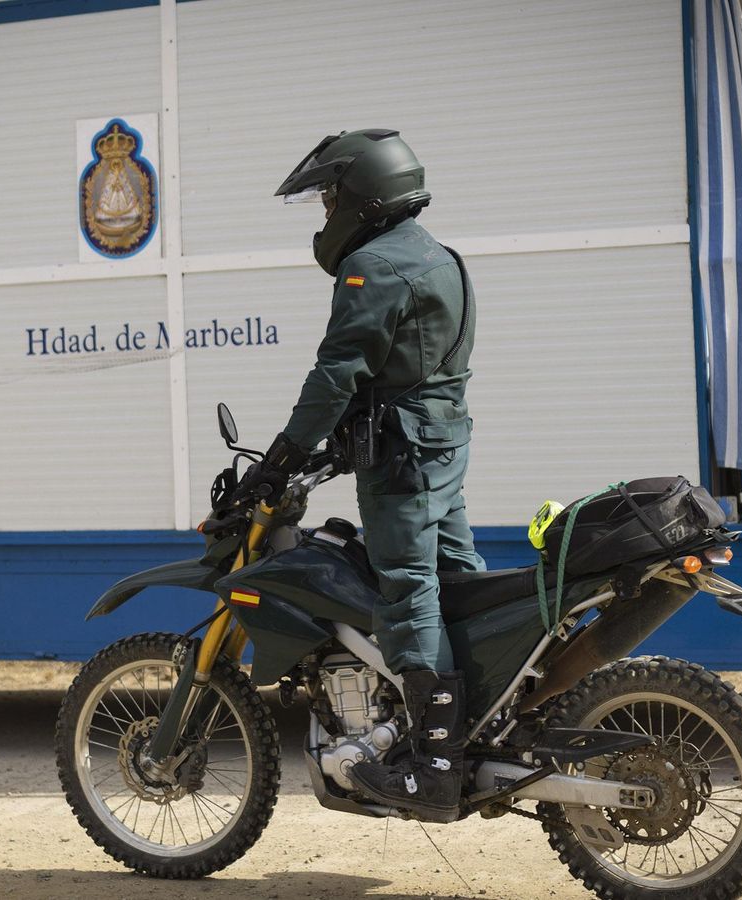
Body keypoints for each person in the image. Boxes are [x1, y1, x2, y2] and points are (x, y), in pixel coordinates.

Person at [238, 129, 485, 819]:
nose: (325, 213)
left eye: (329, 198)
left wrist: (284, 455)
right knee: (456, 581)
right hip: (440, 447)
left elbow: (337, 374)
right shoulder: (443, 258)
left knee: (407, 590)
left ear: (364, 198)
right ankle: (484, 720)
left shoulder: (373, 267)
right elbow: (414, 368)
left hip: (403, 461)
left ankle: (434, 764)